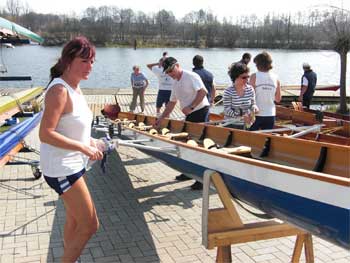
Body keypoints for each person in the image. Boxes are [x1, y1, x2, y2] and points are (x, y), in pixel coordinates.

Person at [39, 36, 103, 262]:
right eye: (84, 61)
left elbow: (75, 127)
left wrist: (91, 141)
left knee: (75, 220)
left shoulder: (76, 88)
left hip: (74, 164)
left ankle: (70, 256)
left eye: (92, 61)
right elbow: (45, 133)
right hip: (61, 168)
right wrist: (83, 148)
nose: (90, 66)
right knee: (90, 224)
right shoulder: (59, 91)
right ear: (68, 60)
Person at [156, 57, 210, 190]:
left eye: (171, 70)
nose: (170, 74)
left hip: (201, 111)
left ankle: (202, 179)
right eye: (167, 72)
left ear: (178, 65)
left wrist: (191, 107)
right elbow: (172, 103)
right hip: (190, 114)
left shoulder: (191, 76)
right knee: (187, 143)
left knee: (198, 146)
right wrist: (161, 118)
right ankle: (189, 172)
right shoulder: (175, 83)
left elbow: (203, 92)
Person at [249, 51, 281, 131]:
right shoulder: (276, 78)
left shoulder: (254, 76)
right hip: (270, 114)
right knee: (266, 139)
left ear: (258, 64)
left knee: (250, 139)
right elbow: (278, 99)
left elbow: (249, 96)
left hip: (256, 114)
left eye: (256, 64)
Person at [223, 62, 257, 129]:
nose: (247, 79)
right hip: (231, 124)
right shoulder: (228, 91)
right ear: (235, 77)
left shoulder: (250, 89)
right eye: (244, 77)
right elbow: (227, 110)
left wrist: (254, 109)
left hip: (247, 124)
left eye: (248, 77)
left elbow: (253, 104)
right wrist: (240, 116)